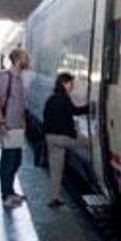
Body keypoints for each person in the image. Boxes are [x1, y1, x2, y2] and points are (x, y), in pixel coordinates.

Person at [43, 72, 89, 207]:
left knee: (55, 168)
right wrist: (89, 107)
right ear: (64, 83)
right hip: (64, 138)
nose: (72, 86)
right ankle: (97, 173)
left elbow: (46, 116)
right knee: (89, 145)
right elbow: (75, 111)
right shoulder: (65, 98)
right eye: (70, 83)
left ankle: (53, 198)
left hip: (50, 137)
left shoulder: (51, 99)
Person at [0, 48, 30, 209]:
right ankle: (5, 194)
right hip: (7, 126)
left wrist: (22, 120)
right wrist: (1, 122)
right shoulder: (5, 77)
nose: (27, 60)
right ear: (16, 60)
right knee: (7, 161)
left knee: (16, 161)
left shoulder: (19, 79)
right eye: (24, 57)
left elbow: (19, 103)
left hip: (17, 127)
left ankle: (11, 191)